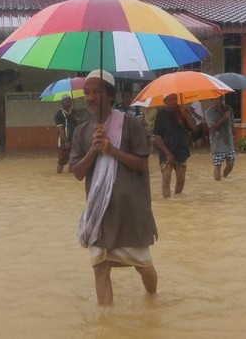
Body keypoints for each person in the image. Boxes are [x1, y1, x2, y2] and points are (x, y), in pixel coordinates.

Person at [69, 69, 158, 306]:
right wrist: (94, 150)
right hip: (100, 215)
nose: (90, 97)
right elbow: (77, 172)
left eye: (97, 92)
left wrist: (112, 150)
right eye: (87, 92)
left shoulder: (130, 125)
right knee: (101, 269)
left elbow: (142, 164)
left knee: (144, 267)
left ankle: (153, 301)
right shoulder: (82, 132)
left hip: (130, 214)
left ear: (110, 95)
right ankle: (106, 322)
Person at [153, 93, 196, 198]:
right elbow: (157, 136)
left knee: (181, 179)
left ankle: (177, 201)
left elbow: (194, 128)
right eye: (170, 100)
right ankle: (167, 203)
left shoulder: (183, 111)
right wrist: (167, 154)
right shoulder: (160, 115)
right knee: (166, 177)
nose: (173, 102)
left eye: (175, 99)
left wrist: (185, 114)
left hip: (181, 151)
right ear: (165, 101)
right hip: (165, 152)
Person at [204, 96, 236, 181]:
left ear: (222, 99)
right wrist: (224, 118)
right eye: (214, 99)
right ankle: (217, 184)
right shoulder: (209, 112)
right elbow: (212, 128)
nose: (216, 101)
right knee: (217, 165)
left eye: (218, 99)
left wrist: (233, 136)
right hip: (217, 143)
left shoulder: (229, 109)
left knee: (231, 164)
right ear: (212, 100)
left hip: (229, 141)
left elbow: (232, 123)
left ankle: (224, 177)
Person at [54, 94, 79, 173]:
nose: (70, 103)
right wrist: (66, 142)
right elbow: (60, 129)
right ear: (63, 102)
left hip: (74, 139)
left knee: (73, 159)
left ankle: (70, 175)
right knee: (62, 159)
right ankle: (58, 174)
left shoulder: (74, 112)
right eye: (68, 101)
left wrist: (77, 120)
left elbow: (78, 125)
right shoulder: (59, 115)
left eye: (70, 101)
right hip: (63, 140)